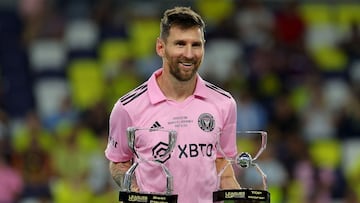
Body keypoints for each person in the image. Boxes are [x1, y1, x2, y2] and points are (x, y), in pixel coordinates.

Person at [105, 6, 240, 202]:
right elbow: (118, 162)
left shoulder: (224, 103)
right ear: (160, 47)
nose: (189, 54)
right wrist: (135, 190)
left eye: (196, 45)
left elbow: (222, 164)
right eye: (180, 44)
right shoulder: (127, 107)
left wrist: (239, 195)